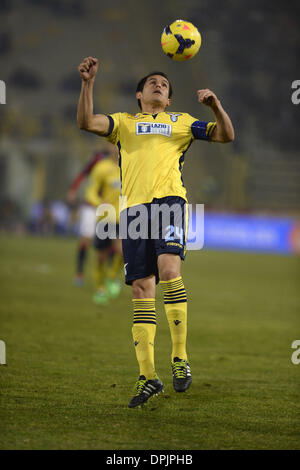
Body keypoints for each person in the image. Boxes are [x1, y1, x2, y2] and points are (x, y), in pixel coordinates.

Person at [77, 56, 234, 408]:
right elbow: (86, 121)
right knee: (142, 290)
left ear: (169, 100)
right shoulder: (124, 123)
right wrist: (88, 83)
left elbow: (225, 135)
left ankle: (180, 358)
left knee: (168, 271)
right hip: (133, 211)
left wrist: (215, 106)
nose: (159, 85)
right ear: (139, 94)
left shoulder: (180, 122)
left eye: (164, 84)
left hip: (169, 204)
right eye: (153, 82)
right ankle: (149, 376)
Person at [68, 146, 123, 303]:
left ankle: (111, 278)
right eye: (115, 145)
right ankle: (100, 288)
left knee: (123, 251)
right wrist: (99, 203)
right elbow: (90, 192)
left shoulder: (132, 166)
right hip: (106, 217)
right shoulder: (101, 167)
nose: (118, 149)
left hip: (125, 217)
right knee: (101, 257)